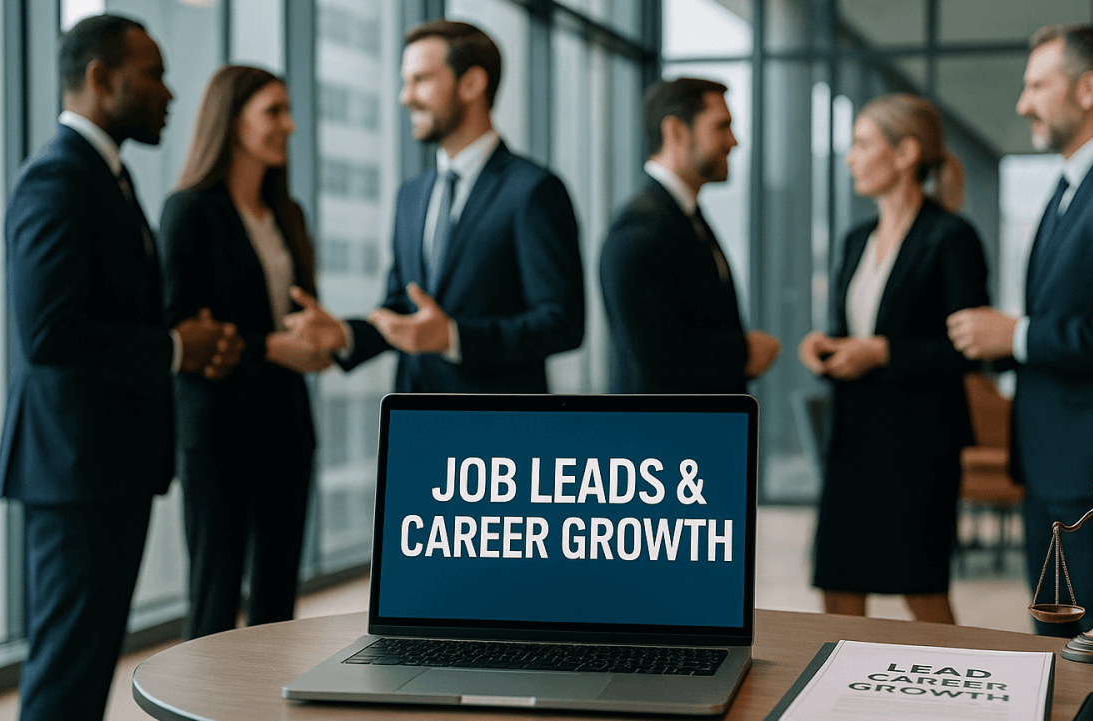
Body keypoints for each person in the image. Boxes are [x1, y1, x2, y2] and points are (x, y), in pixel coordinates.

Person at [0, 15, 242, 720]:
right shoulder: (58, 177)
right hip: (75, 471)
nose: (169, 92)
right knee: (68, 667)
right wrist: (175, 348)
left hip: (101, 467)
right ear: (103, 79)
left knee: (88, 657)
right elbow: (48, 334)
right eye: (154, 73)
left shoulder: (107, 175)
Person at [947, 24, 1093, 648]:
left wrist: (1019, 336)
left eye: (1036, 85)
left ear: (1088, 89)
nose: (1023, 103)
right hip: (1057, 463)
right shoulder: (1071, 187)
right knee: (1060, 643)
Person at [286, 20, 584, 392]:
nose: (405, 96)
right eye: (405, 81)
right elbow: (403, 310)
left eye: (421, 80)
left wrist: (453, 337)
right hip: (416, 423)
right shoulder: (411, 195)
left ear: (472, 83)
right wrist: (346, 334)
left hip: (498, 432)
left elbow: (562, 322)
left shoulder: (534, 191)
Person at [799, 94, 989, 624]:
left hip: (919, 445)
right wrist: (825, 347)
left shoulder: (951, 237)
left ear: (906, 152)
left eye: (862, 143)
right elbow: (851, 332)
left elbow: (968, 348)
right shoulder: (856, 239)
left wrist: (882, 352)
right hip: (853, 438)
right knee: (837, 591)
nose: (850, 157)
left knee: (921, 592)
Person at [160, 65, 331, 640]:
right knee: (215, 596)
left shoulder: (289, 213)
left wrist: (314, 341)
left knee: (279, 599)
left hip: (287, 421)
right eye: (274, 112)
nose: (290, 125)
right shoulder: (189, 211)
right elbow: (182, 328)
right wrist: (272, 347)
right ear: (233, 123)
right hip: (218, 428)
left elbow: (298, 312)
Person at [599, 77, 781, 393]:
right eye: (721, 127)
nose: (733, 141)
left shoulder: (683, 215)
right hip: (667, 435)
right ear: (676, 132)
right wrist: (742, 354)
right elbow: (656, 352)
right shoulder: (639, 227)